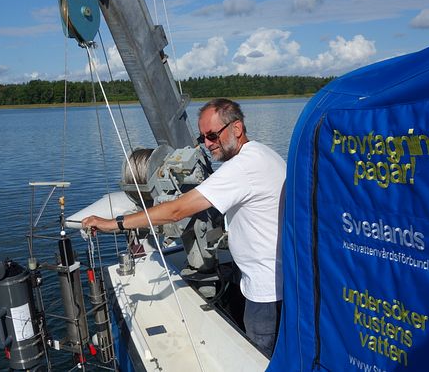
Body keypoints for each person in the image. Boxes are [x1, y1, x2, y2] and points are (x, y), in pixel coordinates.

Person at [81, 98, 285, 356]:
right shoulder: (263, 153)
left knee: (260, 357)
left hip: (265, 292)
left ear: (237, 128)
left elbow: (176, 211)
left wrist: (114, 224)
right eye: (203, 138)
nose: (208, 144)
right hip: (272, 279)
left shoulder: (242, 168)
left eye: (212, 135)